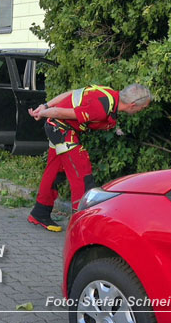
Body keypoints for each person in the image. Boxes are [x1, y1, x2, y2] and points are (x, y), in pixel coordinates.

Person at [26, 83, 152, 231]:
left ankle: (39, 213)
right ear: (132, 105)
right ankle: (80, 226)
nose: (141, 111)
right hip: (61, 128)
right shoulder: (101, 108)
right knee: (82, 176)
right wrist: (44, 111)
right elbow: (61, 113)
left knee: (54, 171)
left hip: (57, 127)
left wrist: (45, 106)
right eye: (142, 108)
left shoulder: (108, 93)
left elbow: (70, 93)